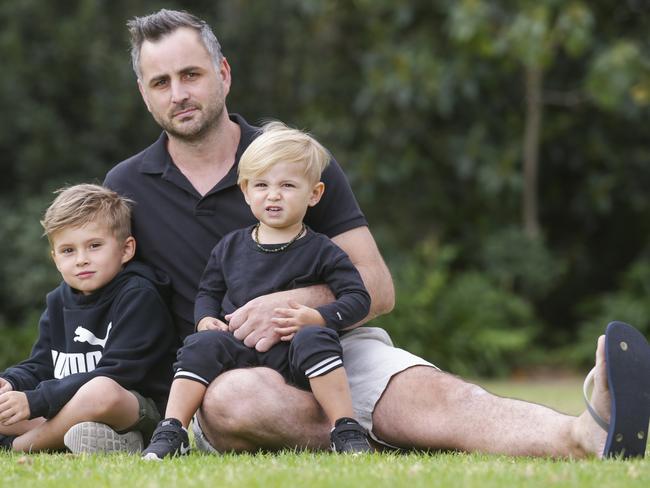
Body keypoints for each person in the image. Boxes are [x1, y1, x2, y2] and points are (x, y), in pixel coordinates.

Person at [104, 8, 650, 459]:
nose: (178, 92)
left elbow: (378, 288)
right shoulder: (126, 187)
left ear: (223, 72)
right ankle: (388, 441)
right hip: (223, 373)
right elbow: (99, 302)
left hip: (330, 341)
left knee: (435, 395)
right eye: (161, 82)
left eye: (191, 74)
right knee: (235, 402)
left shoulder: (297, 159)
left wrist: (297, 305)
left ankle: (585, 434)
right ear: (143, 93)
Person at [141, 122, 374, 460]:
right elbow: (208, 292)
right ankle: (172, 429)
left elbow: (358, 298)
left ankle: (345, 428)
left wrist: (318, 317)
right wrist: (205, 319)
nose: (273, 195)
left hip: (294, 351)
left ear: (314, 194)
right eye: (262, 185)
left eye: (288, 185)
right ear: (246, 192)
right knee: (199, 344)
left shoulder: (322, 250)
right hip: (238, 345)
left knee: (316, 336)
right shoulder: (230, 247)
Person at [0, 184, 176, 453]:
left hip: (135, 408)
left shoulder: (138, 295)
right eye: (68, 250)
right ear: (55, 258)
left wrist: (35, 401)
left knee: (100, 391)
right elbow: (42, 364)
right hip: (70, 407)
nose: (81, 260)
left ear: (126, 250)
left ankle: (19, 446)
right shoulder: (58, 300)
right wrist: (11, 383)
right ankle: (103, 441)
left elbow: (118, 373)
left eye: (94, 246)